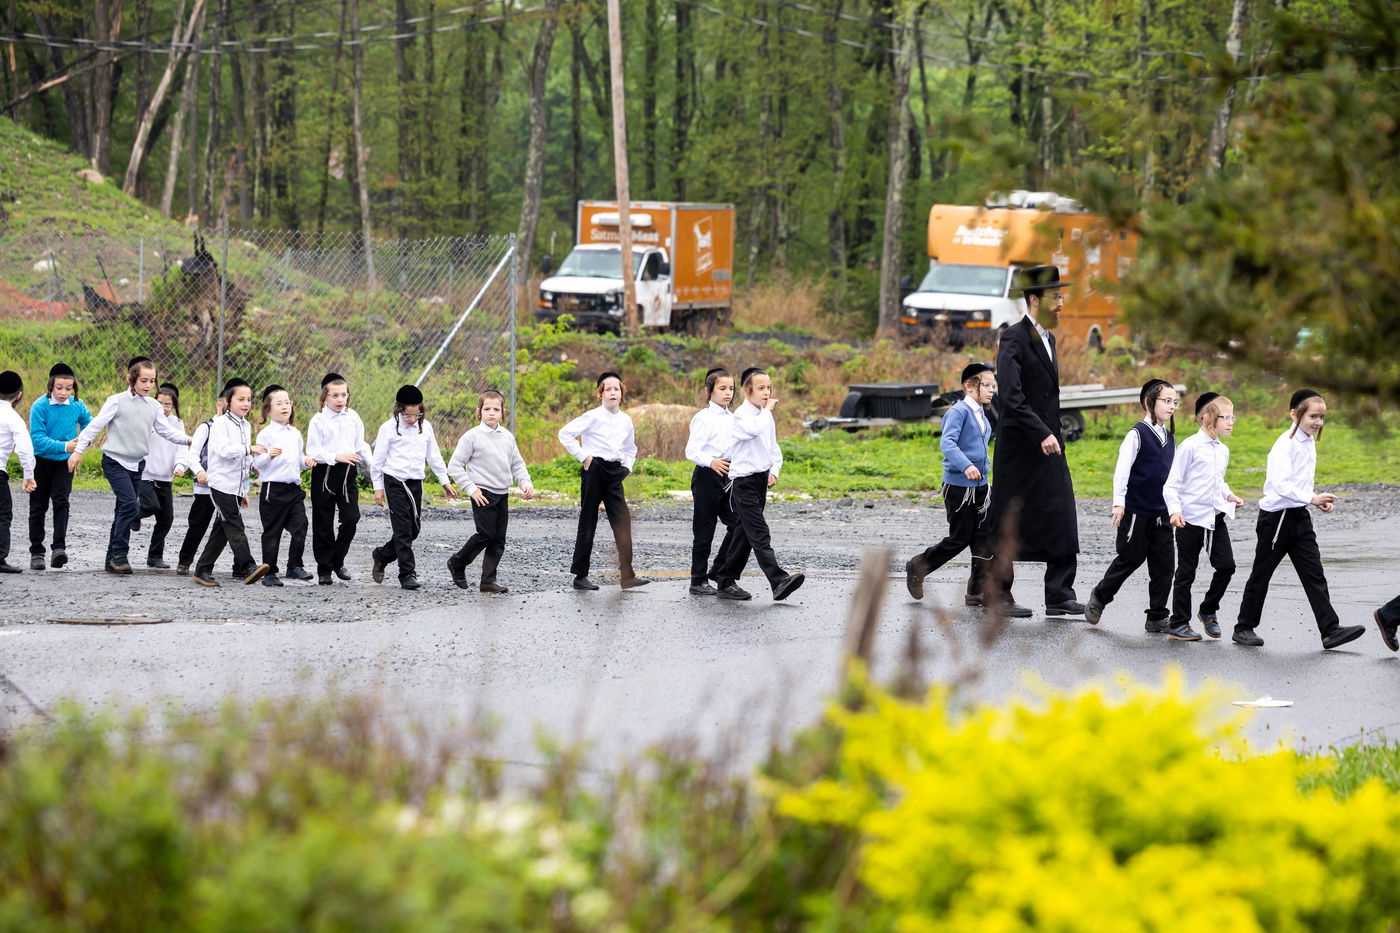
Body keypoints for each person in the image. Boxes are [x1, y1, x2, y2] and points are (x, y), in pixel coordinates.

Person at [1233, 389, 1365, 650]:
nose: (1318, 422)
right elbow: (1280, 485)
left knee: (1314, 574)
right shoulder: (1285, 444)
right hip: (1277, 519)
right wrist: (1310, 498)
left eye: (1322, 417)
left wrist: (1314, 499)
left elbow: (1299, 483)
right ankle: (1243, 628)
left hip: (1299, 516)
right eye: (1313, 416)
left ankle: (1330, 630)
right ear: (1295, 414)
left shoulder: (1308, 441)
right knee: (1262, 573)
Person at [987, 265, 1083, 618]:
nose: (1060, 303)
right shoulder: (1013, 337)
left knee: (1060, 512)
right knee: (1011, 516)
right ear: (1033, 299)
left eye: (1060, 296)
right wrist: (1041, 431)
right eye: (1055, 297)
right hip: (1020, 447)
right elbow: (1011, 396)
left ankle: (1059, 594)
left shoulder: (1050, 338)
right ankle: (998, 594)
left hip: (1050, 443)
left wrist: (1052, 433)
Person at [69, 357, 191, 574]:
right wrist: (79, 451)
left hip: (137, 464)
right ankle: (120, 555)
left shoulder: (154, 406)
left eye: (152, 381)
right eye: (143, 380)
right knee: (129, 505)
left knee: (122, 510)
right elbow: (95, 425)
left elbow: (166, 431)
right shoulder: (117, 401)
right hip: (115, 461)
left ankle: (110, 560)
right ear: (131, 379)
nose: (147, 385)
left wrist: (189, 440)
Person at [1084, 379, 1179, 632]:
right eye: (1166, 401)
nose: (1171, 407)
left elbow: (1173, 476)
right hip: (1137, 511)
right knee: (1130, 558)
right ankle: (1100, 597)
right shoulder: (1136, 434)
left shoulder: (1170, 437)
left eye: (1174, 402)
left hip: (1161, 513)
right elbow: (1122, 471)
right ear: (1149, 402)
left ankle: (1157, 616)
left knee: (1164, 566)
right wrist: (1118, 504)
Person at [711, 367, 806, 602]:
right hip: (742, 484)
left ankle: (723, 578)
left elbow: (773, 447)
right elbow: (753, 432)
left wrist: (773, 470)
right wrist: (767, 411)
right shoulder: (741, 417)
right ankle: (778, 580)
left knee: (744, 536)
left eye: (769, 388)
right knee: (759, 533)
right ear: (747, 390)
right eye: (761, 388)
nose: (766, 393)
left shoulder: (765, 415)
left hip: (761, 481)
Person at [905, 362, 995, 604]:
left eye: (993, 385)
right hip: (958, 487)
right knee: (960, 538)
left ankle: (976, 591)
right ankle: (917, 566)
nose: (991, 390)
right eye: (986, 385)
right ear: (969, 387)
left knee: (984, 539)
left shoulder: (982, 414)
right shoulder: (958, 412)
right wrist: (966, 466)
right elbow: (948, 444)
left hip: (981, 488)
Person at [1160, 392, 1244, 641]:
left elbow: (1218, 482)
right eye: (1225, 417)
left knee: (1227, 566)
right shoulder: (1189, 447)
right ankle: (1179, 623)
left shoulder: (1223, 450)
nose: (1230, 422)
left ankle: (1208, 610)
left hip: (1214, 519)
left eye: (1232, 417)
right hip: (1190, 519)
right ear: (1206, 418)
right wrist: (1175, 511)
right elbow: (1171, 485)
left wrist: (1230, 496)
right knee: (1187, 571)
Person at [559, 372, 649, 591]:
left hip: (614, 472)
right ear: (600, 394)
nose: (612, 392)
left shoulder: (626, 420)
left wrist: (627, 467)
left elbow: (630, 448)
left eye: (616, 389)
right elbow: (565, 434)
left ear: (621, 394)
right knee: (588, 520)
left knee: (623, 520)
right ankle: (580, 576)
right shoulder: (592, 416)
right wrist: (584, 457)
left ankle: (627, 575)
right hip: (594, 469)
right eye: (607, 389)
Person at [369, 385, 458, 590]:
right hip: (395, 481)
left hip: (415, 482)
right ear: (398, 410)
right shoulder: (388, 429)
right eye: (407, 415)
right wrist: (378, 488)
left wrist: (444, 481)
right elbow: (378, 461)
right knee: (402, 530)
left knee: (414, 530)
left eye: (416, 415)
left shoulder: (425, 427)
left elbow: (433, 456)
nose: (412, 419)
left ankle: (382, 555)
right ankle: (407, 573)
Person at [446, 389, 533, 593]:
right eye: (487, 409)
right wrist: (472, 489)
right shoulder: (472, 437)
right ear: (479, 412)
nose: (492, 413)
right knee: (485, 534)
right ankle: (458, 562)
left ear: (503, 412)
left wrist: (525, 483)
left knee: (498, 539)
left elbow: (517, 464)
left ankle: (488, 581)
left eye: (496, 409)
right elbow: (454, 466)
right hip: (482, 492)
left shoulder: (507, 437)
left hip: (502, 493)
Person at [193, 379, 271, 587]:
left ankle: (202, 569)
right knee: (234, 523)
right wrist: (251, 449)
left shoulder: (245, 425)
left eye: (249, 400)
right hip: (221, 485)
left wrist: (246, 486)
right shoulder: (220, 424)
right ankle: (248, 566)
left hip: (236, 487)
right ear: (228, 401)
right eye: (241, 399)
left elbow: (243, 461)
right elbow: (224, 451)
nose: (246, 403)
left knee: (222, 529)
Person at [305, 373, 372, 585]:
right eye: (335, 395)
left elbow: (360, 444)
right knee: (323, 522)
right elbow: (312, 451)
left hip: (347, 474)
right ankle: (324, 569)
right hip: (325, 473)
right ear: (325, 397)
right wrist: (335, 456)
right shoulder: (318, 420)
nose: (340, 399)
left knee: (351, 518)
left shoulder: (353, 416)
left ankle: (337, 560)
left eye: (344, 394)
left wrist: (375, 466)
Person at [27, 362, 89, 570]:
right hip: (41, 461)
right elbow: (37, 439)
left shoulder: (77, 405)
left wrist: (80, 446)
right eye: (59, 387)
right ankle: (37, 551)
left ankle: (59, 549)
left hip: (64, 463)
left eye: (68, 388)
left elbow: (90, 425)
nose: (64, 392)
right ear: (51, 386)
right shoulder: (40, 406)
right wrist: (65, 446)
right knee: (38, 506)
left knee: (61, 501)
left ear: (74, 388)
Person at [252, 385, 315, 587]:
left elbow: (297, 460)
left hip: (293, 489)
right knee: (272, 532)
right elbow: (256, 464)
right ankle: (269, 571)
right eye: (279, 403)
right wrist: (268, 455)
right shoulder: (266, 434)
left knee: (301, 526)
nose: (284, 406)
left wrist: (306, 462)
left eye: (287, 402)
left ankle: (294, 565)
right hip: (273, 490)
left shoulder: (295, 433)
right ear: (268, 409)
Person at [684, 367, 739, 596]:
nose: (728, 393)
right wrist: (711, 461)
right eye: (723, 388)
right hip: (707, 476)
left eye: (732, 389)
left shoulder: (734, 418)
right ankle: (697, 580)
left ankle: (718, 570)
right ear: (709, 390)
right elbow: (691, 450)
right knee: (704, 530)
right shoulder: (703, 418)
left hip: (729, 476)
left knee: (739, 525)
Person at [133, 382, 185, 569]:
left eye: (168, 405)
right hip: (146, 474)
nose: (163, 408)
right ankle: (134, 514)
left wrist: (180, 465)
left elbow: (182, 448)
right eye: (160, 403)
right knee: (151, 505)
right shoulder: (147, 420)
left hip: (165, 477)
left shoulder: (178, 424)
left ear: (174, 406)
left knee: (166, 519)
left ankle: (154, 556)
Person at [175, 391, 226, 575]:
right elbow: (193, 453)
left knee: (228, 526)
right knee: (198, 525)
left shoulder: (238, 429)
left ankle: (239, 565)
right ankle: (184, 560)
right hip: (205, 486)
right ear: (220, 404)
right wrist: (199, 471)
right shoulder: (206, 427)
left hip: (226, 487)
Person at [0, 370, 38, 574]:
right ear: (19, 395)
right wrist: (29, 476)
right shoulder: (13, 419)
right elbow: (24, 449)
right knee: (2, 515)